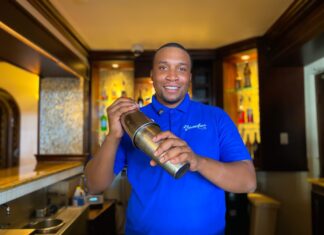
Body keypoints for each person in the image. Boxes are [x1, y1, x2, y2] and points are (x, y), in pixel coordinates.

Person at [85, 42, 256, 235]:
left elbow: (248, 182)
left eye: (181, 68)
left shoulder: (216, 117)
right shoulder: (133, 121)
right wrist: (113, 136)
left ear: (189, 77)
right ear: (152, 75)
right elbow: (93, 185)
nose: (172, 76)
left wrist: (197, 161)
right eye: (163, 67)